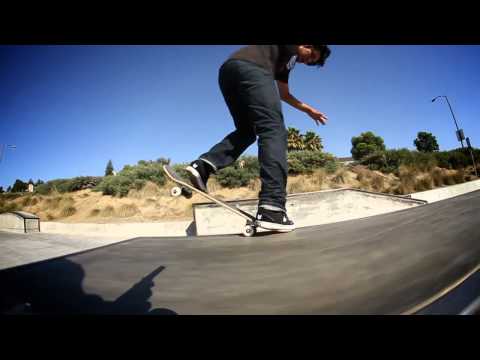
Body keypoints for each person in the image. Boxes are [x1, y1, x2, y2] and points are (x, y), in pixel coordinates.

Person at [186, 45, 331, 232]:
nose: (307, 61)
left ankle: (203, 166)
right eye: (311, 56)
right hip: (253, 68)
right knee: (273, 129)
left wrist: (308, 110)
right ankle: (272, 207)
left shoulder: (288, 61)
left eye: (311, 62)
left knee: (247, 131)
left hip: (229, 72)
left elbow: (283, 94)